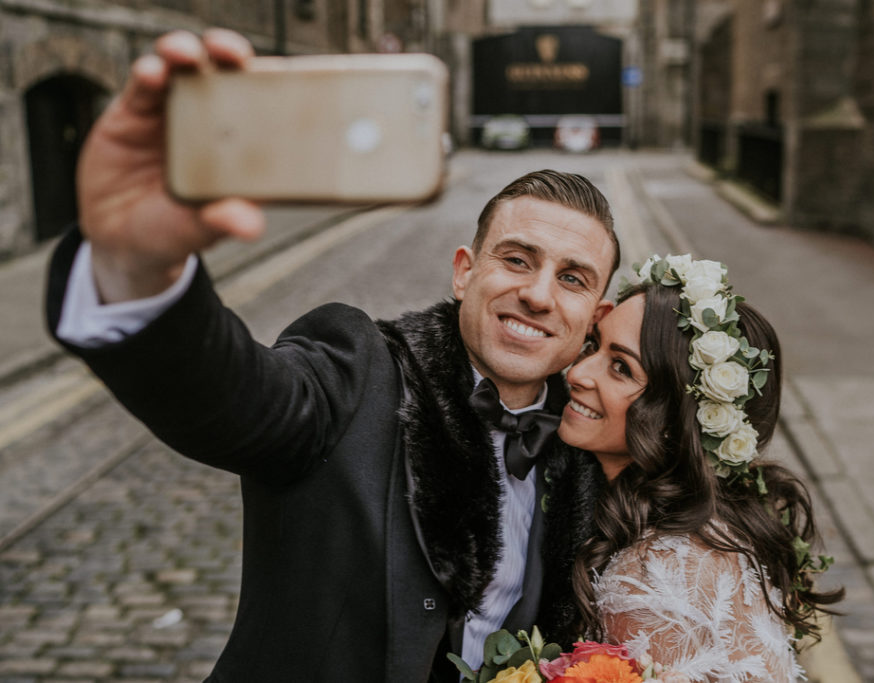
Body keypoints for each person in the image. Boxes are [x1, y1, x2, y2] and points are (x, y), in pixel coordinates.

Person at [44, 29, 618, 681]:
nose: (538, 294)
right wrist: (135, 261)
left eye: (572, 277)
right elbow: (228, 395)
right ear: (464, 272)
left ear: (594, 314)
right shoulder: (358, 372)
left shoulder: (591, 438)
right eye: (516, 259)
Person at [556, 254, 843, 681]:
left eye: (621, 367)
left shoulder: (652, 578)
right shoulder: (700, 530)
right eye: (593, 345)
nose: (577, 372)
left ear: (675, 420)